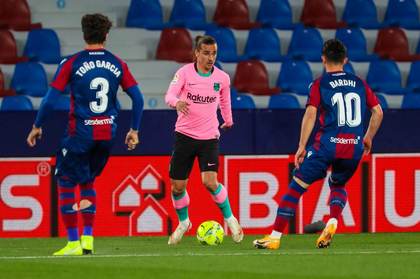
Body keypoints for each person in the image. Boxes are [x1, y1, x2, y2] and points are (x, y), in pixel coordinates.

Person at [26, 14, 144, 256]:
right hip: (107, 133)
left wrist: (37, 125)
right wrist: (134, 130)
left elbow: (50, 100)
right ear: (106, 35)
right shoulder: (118, 63)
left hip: (80, 134)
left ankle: (72, 243)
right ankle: (88, 240)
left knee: (66, 180)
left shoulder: (71, 63)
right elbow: (138, 99)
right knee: (88, 180)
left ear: (83, 34)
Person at [253, 39, 383, 249]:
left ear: (323, 58)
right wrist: (368, 137)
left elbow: (311, 113)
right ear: (345, 60)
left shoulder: (319, 84)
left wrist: (301, 146)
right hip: (354, 147)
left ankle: (275, 237)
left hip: (326, 146)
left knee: (296, 187)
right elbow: (378, 111)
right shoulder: (360, 83)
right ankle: (332, 221)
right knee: (338, 184)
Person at [165, 35, 243, 245]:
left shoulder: (222, 78)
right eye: (206, 53)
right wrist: (177, 102)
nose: (211, 58)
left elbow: (225, 102)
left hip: (209, 137)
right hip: (184, 136)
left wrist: (228, 120)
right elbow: (169, 95)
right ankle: (184, 222)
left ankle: (230, 219)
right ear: (196, 53)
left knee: (209, 181)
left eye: (214, 53)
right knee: (177, 187)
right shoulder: (184, 73)